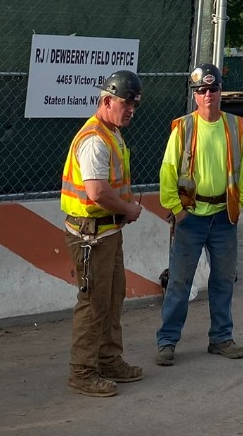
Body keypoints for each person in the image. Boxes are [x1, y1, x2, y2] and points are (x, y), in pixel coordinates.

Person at [155, 62, 243, 366]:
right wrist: (176, 210)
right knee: (179, 282)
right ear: (195, 95)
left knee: (223, 280)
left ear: (221, 90)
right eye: (202, 90)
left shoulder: (234, 127)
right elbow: (168, 171)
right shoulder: (183, 128)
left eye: (213, 88)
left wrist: (240, 203)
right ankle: (167, 342)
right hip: (192, 217)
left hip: (224, 216)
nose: (208, 94)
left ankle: (221, 338)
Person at [60, 69, 145, 398]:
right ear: (107, 100)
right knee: (94, 302)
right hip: (91, 236)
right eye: (126, 104)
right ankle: (82, 371)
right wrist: (129, 209)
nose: (131, 111)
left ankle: (108, 359)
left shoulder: (110, 132)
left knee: (112, 296)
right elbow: (96, 191)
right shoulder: (96, 139)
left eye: (134, 106)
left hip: (106, 233)